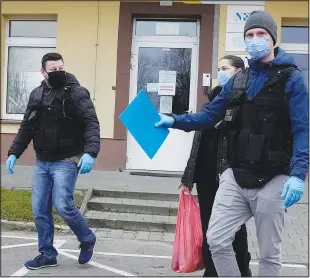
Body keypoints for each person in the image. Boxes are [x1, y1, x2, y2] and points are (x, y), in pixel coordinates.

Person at [155, 11, 308, 276]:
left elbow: (303, 129)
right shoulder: (240, 79)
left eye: (261, 34)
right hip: (235, 177)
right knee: (216, 239)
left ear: (272, 38)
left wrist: (298, 175)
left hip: (273, 177)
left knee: (269, 253)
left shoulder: (291, 79)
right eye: (249, 35)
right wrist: (173, 120)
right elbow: (208, 116)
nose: (255, 39)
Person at [6, 53, 100, 270]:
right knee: (39, 209)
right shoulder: (37, 94)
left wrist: (90, 152)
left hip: (67, 159)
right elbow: (27, 127)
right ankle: (47, 254)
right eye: (53, 70)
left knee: (64, 205)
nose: (58, 73)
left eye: (61, 68)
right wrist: (14, 152)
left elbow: (91, 123)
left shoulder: (77, 93)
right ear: (43, 72)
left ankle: (87, 238)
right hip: (43, 161)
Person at [180, 55, 252, 277]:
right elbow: (197, 144)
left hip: (229, 176)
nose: (221, 72)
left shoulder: (245, 101)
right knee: (208, 226)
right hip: (205, 175)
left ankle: (242, 269)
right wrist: (187, 178)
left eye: (226, 68)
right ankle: (212, 270)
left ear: (239, 72)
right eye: (219, 68)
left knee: (234, 229)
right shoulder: (211, 102)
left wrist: (228, 123)